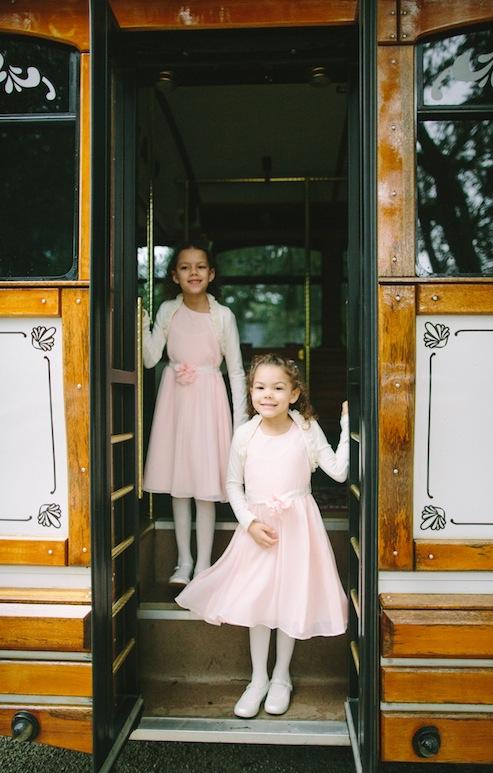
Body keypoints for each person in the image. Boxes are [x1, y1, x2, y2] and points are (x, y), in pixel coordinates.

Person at [177, 353, 348, 718]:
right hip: (258, 531)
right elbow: (232, 485)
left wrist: (347, 427)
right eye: (259, 387)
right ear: (251, 391)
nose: (267, 395)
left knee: (288, 601)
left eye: (277, 388)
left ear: (294, 393)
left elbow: (337, 472)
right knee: (258, 604)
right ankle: (257, 678)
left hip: (298, 530)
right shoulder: (245, 434)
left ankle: (281, 677)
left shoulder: (305, 429)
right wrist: (249, 523)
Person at [142, 239, 247, 586]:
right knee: (179, 484)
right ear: (174, 275)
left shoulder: (222, 316)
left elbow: (235, 371)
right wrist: (141, 324)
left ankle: (203, 564)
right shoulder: (167, 311)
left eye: (200, 266)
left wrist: (241, 423)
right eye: (185, 267)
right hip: (174, 402)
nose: (193, 273)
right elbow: (150, 358)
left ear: (211, 273)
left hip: (209, 402)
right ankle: (183, 562)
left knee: (204, 485)